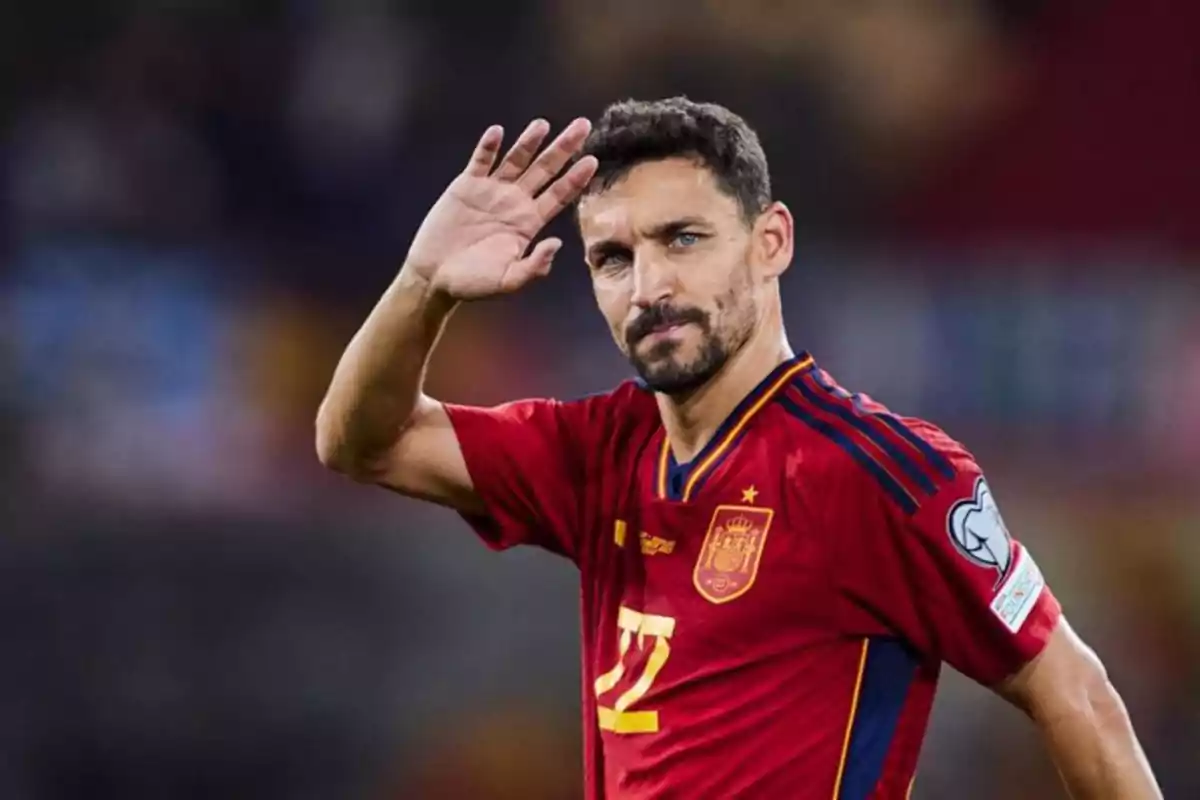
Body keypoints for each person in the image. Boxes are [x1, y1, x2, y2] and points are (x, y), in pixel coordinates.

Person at [316, 97, 1161, 799]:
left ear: (771, 243)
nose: (650, 287)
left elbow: (1074, 694)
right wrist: (421, 287)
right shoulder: (596, 451)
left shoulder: (881, 474)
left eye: (683, 239)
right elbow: (364, 443)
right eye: (613, 258)